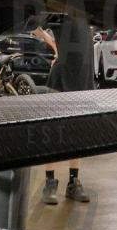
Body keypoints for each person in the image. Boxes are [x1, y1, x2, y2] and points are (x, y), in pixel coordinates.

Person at [34, 14, 94, 204]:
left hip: (83, 77)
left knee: (78, 131)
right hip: (62, 78)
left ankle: (73, 182)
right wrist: (53, 43)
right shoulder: (59, 10)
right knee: (52, 130)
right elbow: (32, 25)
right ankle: (49, 182)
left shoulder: (87, 12)